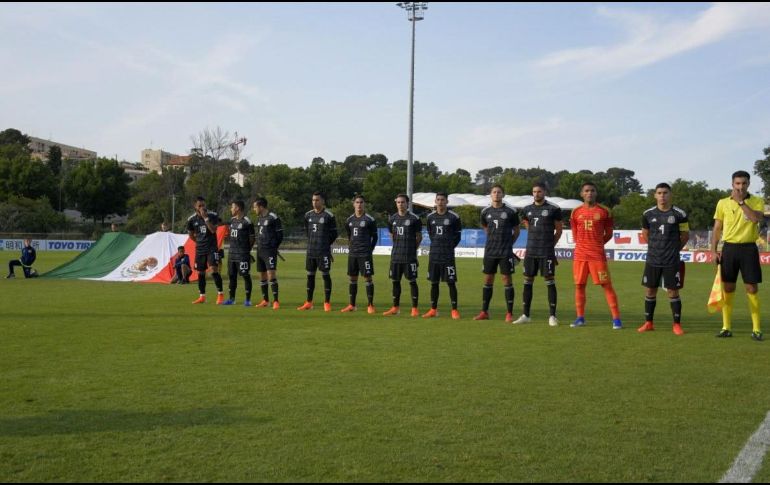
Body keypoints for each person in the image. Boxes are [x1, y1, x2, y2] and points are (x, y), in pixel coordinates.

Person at [711, 170, 764, 341]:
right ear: (732, 184)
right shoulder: (722, 203)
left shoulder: (757, 201)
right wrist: (713, 250)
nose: (740, 187)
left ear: (749, 184)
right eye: (737, 184)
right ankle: (726, 327)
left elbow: (755, 219)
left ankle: (756, 329)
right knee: (728, 288)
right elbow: (717, 228)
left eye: (744, 183)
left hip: (749, 248)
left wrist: (741, 202)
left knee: (751, 288)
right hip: (729, 249)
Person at [637, 183, 689, 336]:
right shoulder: (647, 214)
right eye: (659, 193)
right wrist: (655, 248)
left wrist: (673, 250)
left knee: (673, 292)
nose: (662, 196)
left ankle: (677, 325)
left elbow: (685, 236)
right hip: (653, 259)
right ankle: (648, 323)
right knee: (650, 290)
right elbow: (645, 234)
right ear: (655, 195)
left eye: (665, 193)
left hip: (671, 260)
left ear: (670, 194)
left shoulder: (680, 214)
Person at [569, 182, 622, 329]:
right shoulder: (575, 212)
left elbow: (609, 233)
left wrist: (597, 244)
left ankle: (616, 319)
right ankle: (580, 318)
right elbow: (575, 234)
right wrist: (582, 244)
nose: (589, 193)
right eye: (586, 190)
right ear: (582, 193)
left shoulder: (605, 211)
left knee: (607, 286)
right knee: (579, 286)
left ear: (596, 193)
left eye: (592, 190)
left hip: (597, 256)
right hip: (580, 256)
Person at [513, 182, 563, 327]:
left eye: (539, 191)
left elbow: (559, 231)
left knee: (549, 280)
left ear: (544, 192)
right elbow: (527, 224)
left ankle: (552, 316)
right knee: (528, 281)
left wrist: (549, 246)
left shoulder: (553, 209)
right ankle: (526, 315)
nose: (536, 194)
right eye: (534, 191)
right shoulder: (527, 209)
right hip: (531, 251)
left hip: (546, 251)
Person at [474, 185, 520, 322]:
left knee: (507, 279)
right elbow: (485, 226)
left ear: (503, 195)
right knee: (488, 279)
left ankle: (509, 313)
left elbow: (516, 230)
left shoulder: (511, 211)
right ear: (490, 194)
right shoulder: (485, 211)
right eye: (494, 192)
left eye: (499, 192)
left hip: (505, 251)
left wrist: (509, 243)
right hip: (490, 251)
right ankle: (484, 312)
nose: (496, 194)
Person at [423, 192, 462, 319]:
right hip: (434, 255)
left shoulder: (454, 217)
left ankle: (454, 310)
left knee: (451, 282)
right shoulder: (430, 217)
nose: (440, 202)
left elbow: (458, 236)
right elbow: (431, 234)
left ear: (447, 202)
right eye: (438, 199)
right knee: (434, 283)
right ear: (435, 201)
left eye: (442, 200)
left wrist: (449, 247)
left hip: (448, 256)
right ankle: (433, 309)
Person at [383, 194, 423, 317]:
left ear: (407, 203)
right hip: (396, 256)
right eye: (398, 202)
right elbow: (391, 235)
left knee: (412, 281)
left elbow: (419, 237)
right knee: (395, 282)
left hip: (409, 257)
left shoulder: (414, 219)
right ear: (396, 203)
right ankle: (395, 308)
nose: (400, 204)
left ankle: (415, 308)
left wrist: (412, 249)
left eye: (403, 202)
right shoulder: (392, 219)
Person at [298, 192, 338, 312]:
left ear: (322, 201)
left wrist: (325, 244)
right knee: (310, 276)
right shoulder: (307, 215)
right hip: (311, 251)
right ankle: (309, 302)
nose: (314, 202)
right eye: (313, 200)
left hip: (323, 251)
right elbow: (307, 232)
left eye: (317, 200)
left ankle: (327, 302)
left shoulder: (329, 216)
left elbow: (334, 234)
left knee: (325, 275)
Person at [340, 194, 378, 314]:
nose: (359, 204)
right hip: (353, 254)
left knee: (367, 278)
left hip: (364, 254)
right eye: (357, 202)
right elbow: (349, 235)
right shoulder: (349, 220)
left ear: (364, 204)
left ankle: (370, 305)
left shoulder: (369, 220)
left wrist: (369, 251)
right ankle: (352, 305)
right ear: (353, 204)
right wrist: (351, 248)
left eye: (361, 202)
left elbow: (375, 237)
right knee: (352, 278)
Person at [186, 196, 224, 305]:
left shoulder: (212, 215)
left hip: (211, 248)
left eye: (203, 205)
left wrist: (205, 218)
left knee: (213, 269)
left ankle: (220, 294)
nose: (202, 207)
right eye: (200, 206)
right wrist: (199, 241)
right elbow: (191, 235)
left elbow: (213, 230)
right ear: (195, 207)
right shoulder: (191, 219)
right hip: (200, 249)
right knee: (200, 272)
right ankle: (202, 296)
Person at [223, 200, 256, 306]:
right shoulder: (232, 221)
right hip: (232, 254)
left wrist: (246, 250)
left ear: (237, 208)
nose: (231, 209)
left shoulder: (247, 222)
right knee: (232, 277)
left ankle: (248, 300)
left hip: (242, 254)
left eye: (232, 207)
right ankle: (231, 299)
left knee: (245, 275)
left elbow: (252, 238)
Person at [253, 197, 284, 310]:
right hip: (260, 250)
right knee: (262, 275)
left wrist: (273, 246)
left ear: (261, 206)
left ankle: (276, 301)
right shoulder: (259, 218)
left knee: (271, 274)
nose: (254, 209)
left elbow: (280, 235)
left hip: (269, 251)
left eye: (255, 207)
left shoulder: (273, 218)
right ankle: (265, 300)